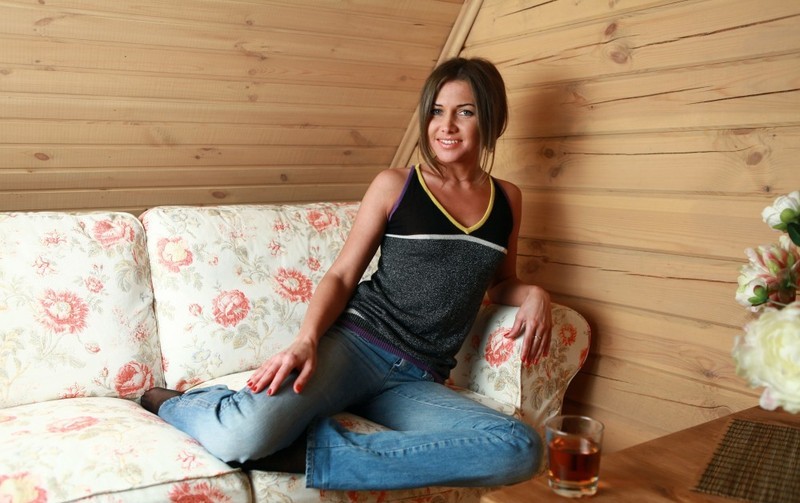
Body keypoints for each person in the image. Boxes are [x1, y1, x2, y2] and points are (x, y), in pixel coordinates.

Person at [141, 57, 553, 491]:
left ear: (491, 117)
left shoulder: (507, 199)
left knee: (520, 448)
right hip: (356, 346)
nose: (446, 126)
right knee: (240, 436)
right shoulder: (397, 185)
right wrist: (307, 340)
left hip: (417, 379)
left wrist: (534, 293)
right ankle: (178, 405)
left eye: (464, 112)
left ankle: (313, 454)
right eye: (437, 111)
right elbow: (341, 275)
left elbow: (501, 282)